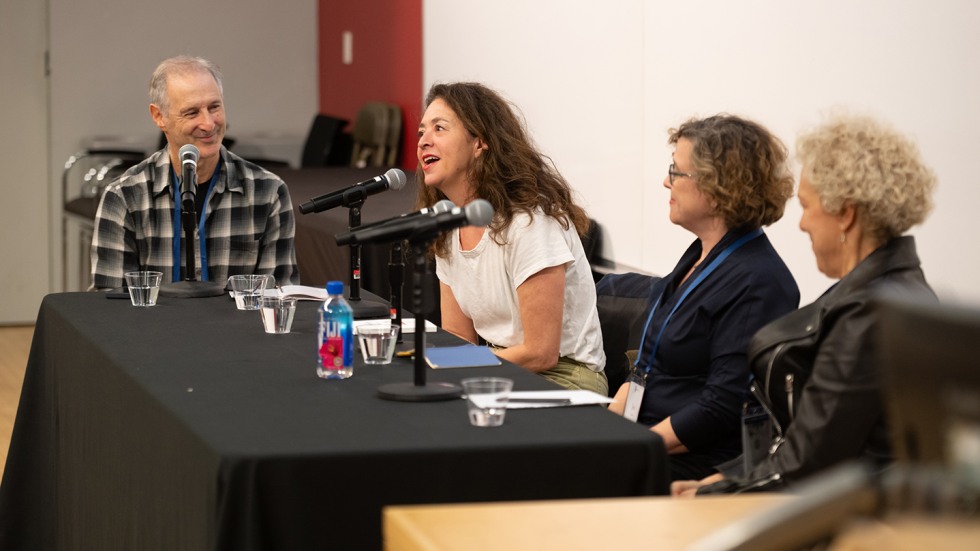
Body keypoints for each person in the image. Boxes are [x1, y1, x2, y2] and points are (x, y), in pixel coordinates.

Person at [672, 114, 937, 497]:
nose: (802, 224)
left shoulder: (868, 313)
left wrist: (713, 493)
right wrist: (722, 478)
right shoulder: (880, 293)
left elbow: (810, 462)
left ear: (845, 213)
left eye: (808, 206)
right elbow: (805, 444)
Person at [608, 115, 800, 482]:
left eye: (676, 172)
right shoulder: (699, 256)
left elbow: (720, 407)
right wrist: (605, 429)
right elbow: (645, 369)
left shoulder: (759, 281)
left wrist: (631, 447)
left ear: (717, 188)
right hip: (645, 437)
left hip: (696, 460)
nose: (666, 181)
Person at [415, 82, 607, 394]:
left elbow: (540, 352)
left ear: (480, 142)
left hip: (562, 378)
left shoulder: (530, 221)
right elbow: (459, 341)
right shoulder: (449, 225)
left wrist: (446, 362)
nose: (424, 141)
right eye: (421, 132)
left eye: (439, 128)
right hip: (498, 369)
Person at [91, 55, 298, 290]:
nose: (208, 124)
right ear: (159, 116)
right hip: (153, 327)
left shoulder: (268, 192)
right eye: (192, 113)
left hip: (238, 328)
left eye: (214, 107)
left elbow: (279, 299)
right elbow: (108, 305)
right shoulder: (124, 196)